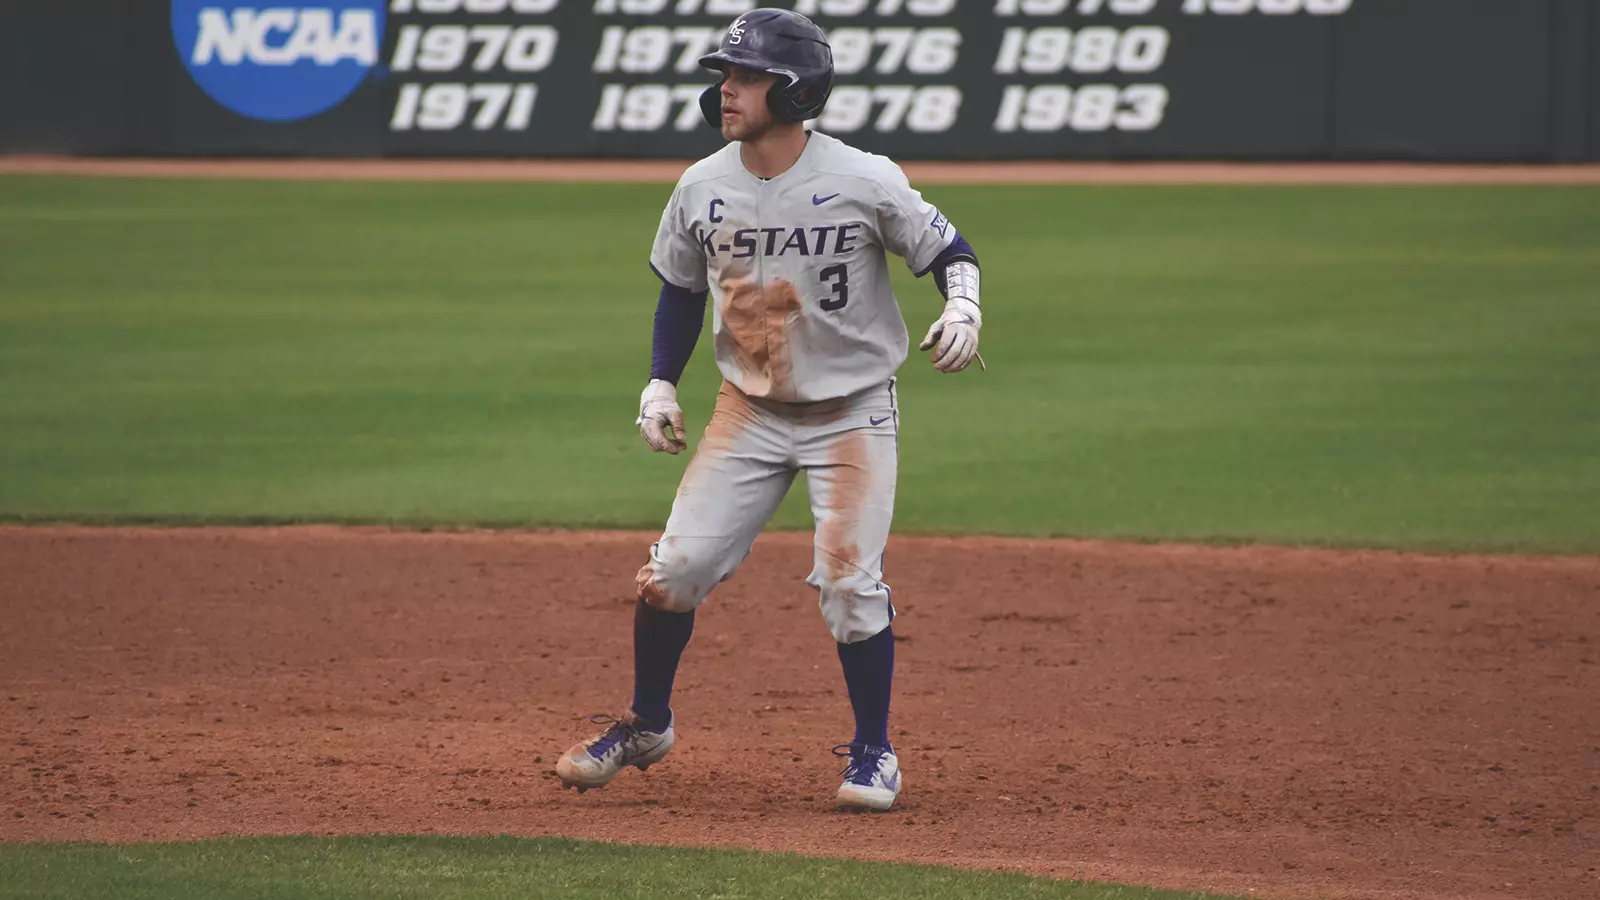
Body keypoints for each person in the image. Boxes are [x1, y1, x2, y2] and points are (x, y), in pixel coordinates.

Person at [556, 7, 983, 812]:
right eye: (726, 75)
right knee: (671, 574)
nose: (728, 90)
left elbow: (951, 251)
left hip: (852, 411)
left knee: (849, 584)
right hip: (746, 411)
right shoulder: (701, 184)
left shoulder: (862, 176)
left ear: (795, 90)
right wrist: (657, 383)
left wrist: (963, 310)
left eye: (747, 77)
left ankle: (873, 752)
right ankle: (647, 723)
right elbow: (680, 291)